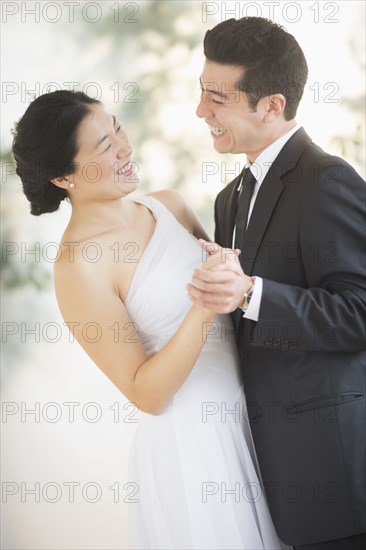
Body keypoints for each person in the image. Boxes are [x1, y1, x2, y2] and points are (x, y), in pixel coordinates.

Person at [12, 90, 285, 550]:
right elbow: (146, 393)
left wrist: (231, 275)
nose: (124, 147)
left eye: (116, 128)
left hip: (253, 415)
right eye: (102, 146)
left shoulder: (170, 205)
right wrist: (204, 300)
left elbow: (236, 299)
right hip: (193, 447)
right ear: (63, 176)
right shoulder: (80, 266)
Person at [188, 16, 366, 550]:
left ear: (272, 106)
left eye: (217, 97)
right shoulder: (230, 199)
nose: (202, 111)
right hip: (269, 473)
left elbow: (359, 312)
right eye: (201, 93)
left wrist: (251, 293)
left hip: (337, 480)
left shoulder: (327, 180)